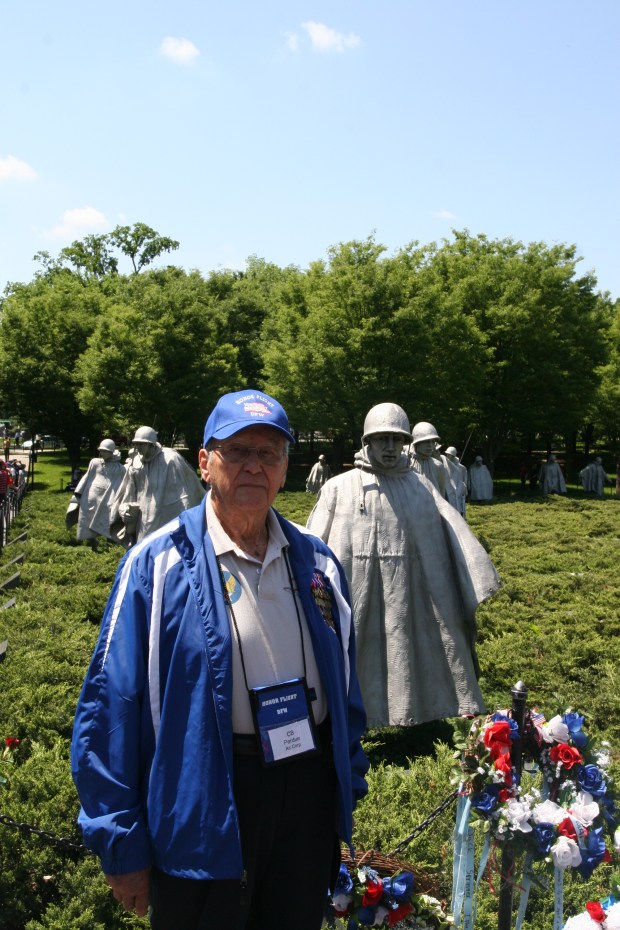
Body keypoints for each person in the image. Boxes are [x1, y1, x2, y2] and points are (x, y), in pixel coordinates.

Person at [71, 388, 368, 930]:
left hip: (306, 794)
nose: (254, 465)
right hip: (205, 797)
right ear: (205, 463)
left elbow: (346, 682)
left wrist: (346, 779)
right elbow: (108, 709)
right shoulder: (154, 565)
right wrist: (121, 843)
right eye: (238, 451)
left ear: (285, 469)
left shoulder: (318, 561)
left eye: (270, 453)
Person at [306, 402, 500, 728]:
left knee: (408, 646)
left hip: (412, 595)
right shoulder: (339, 488)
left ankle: (415, 713)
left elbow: (448, 538)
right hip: (358, 593)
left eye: (397, 440)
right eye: (382, 440)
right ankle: (350, 716)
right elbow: (312, 549)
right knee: (356, 653)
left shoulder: (419, 486)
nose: (391, 448)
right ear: (367, 442)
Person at [110, 426, 205, 545]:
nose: (138, 447)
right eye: (136, 444)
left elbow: (183, 493)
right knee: (143, 547)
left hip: (167, 514)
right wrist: (125, 509)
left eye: (141, 444)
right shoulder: (136, 463)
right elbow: (129, 490)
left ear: (151, 444)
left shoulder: (171, 459)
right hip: (143, 517)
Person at [65, 439, 127, 550]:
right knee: (86, 522)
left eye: (105, 451)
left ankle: (111, 546)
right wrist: (78, 493)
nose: (102, 453)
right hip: (90, 498)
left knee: (108, 521)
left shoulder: (120, 468)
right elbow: (87, 477)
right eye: (101, 451)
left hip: (106, 500)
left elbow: (120, 485)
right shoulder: (95, 462)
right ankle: (93, 543)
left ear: (112, 451)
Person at [409, 421, 449, 497]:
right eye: (427, 441)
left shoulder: (438, 466)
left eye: (433, 441)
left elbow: (442, 493)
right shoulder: (407, 463)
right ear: (417, 442)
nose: (430, 445)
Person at [444, 445, 468, 516]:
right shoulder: (444, 465)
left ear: (453, 455)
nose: (447, 456)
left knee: (459, 506)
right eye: (447, 454)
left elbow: (465, 479)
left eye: (449, 455)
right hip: (448, 490)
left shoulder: (461, 468)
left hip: (458, 490)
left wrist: (464, 489)